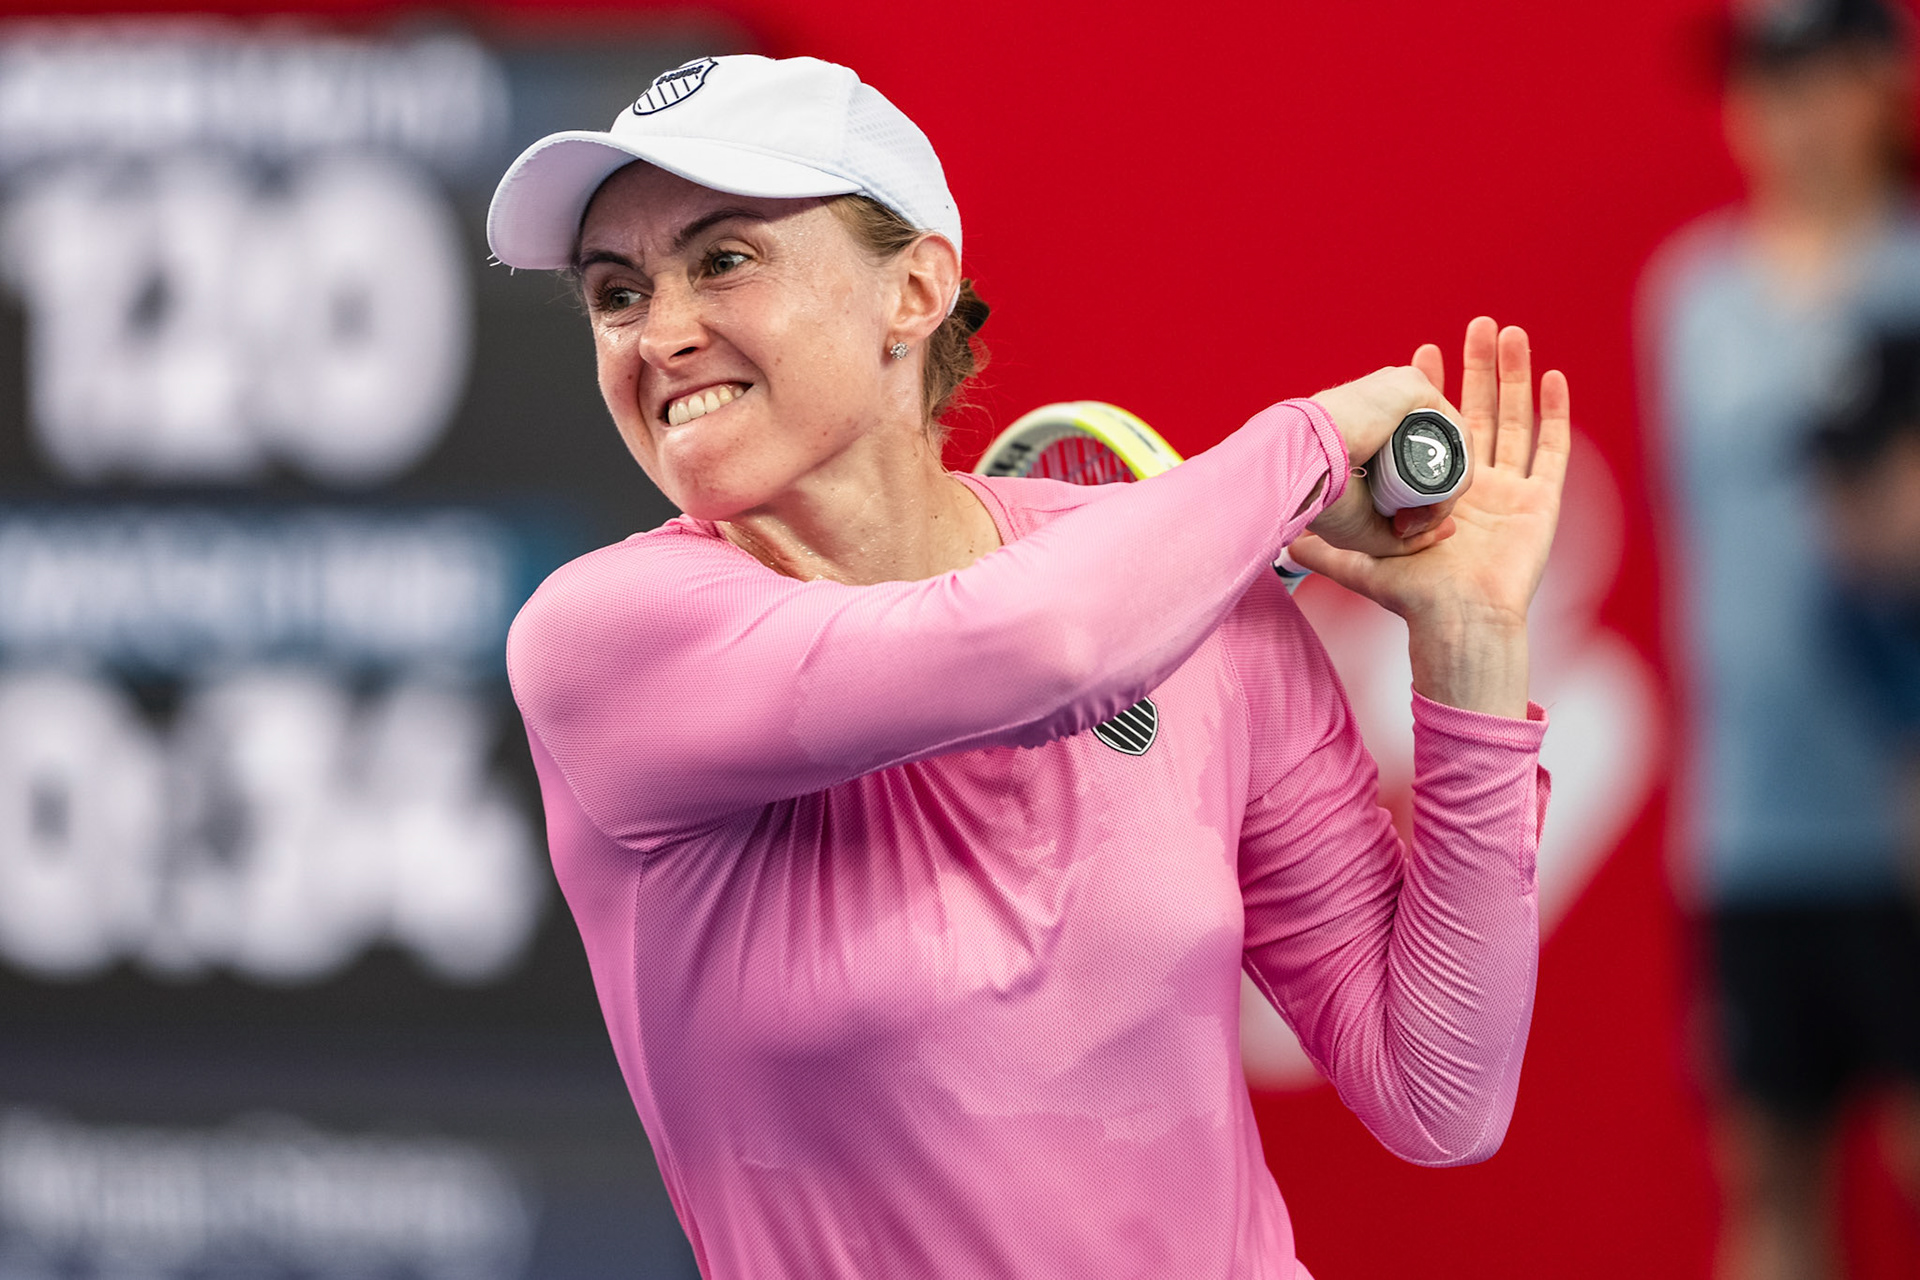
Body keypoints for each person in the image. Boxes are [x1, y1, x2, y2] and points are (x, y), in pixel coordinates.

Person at [489, 53, 1566, 1279]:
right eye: (615, 292)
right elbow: (1041, 648)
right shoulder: (606, 637)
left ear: (916, 290)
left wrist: (1471, 644)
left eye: (723, 259)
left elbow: (1439, 1091)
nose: (662, 334)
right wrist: (1309, 444)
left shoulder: (1179, 591)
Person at [1641, 2, 1920, 1276]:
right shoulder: (1692, 300)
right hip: (1752, 826)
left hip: (1906, 823)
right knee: (1769, 1182)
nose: (1785, 114)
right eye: (1763, 81)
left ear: (1880, 78)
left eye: (1811, 77)